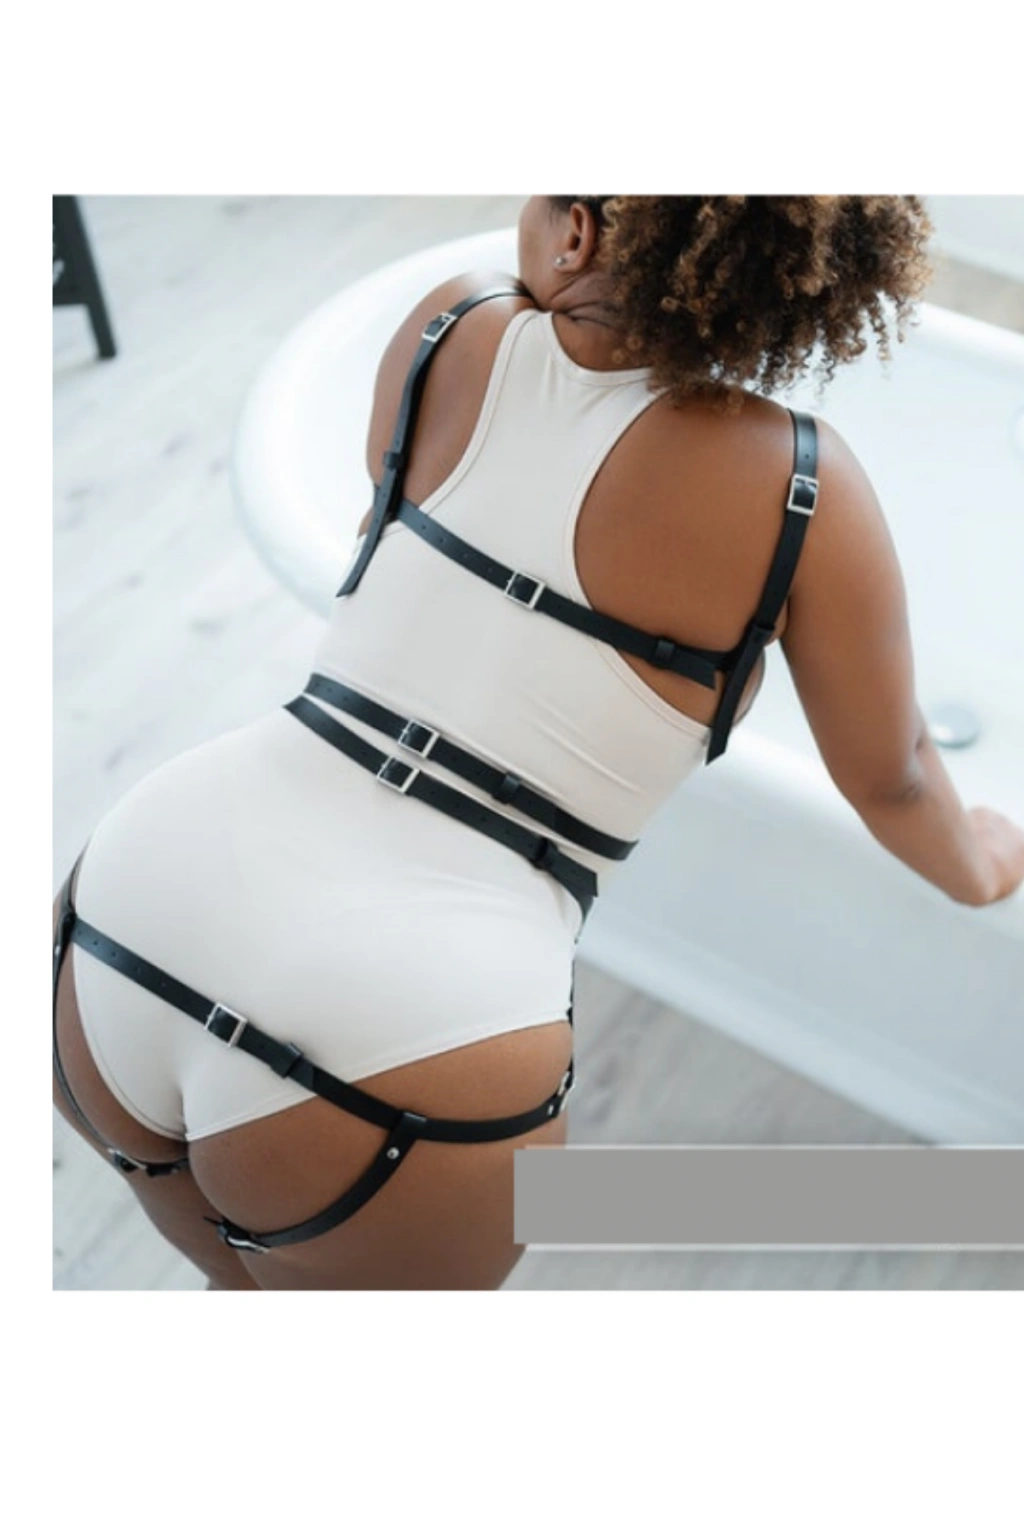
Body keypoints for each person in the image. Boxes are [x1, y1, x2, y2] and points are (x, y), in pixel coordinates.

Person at [53, 195, 1024, 1291]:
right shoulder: (806, 491)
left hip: (132, 907)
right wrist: (984, 867)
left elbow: (402, 537)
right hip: (405, 1042)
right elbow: (895, 779)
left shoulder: (449, 326)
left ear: (577, 233)